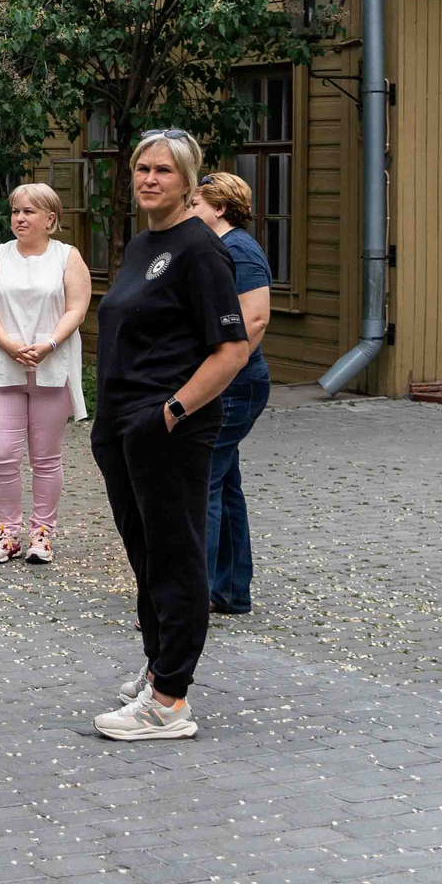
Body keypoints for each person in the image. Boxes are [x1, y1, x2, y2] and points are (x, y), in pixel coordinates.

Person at [91, 129, 250, 742]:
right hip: (123, 425)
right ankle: (159, 664)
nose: (149, 178)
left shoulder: (201, 251)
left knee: (176, 553)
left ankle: (170, 701)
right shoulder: (142, 245)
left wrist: (173, 413)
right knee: (145, 553)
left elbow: (232, 349)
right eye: (141, 168)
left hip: (168, 428)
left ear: (188, 181)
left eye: (163, 170)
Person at [0, 183, 89, 565]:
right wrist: (8, 343)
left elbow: (77, 308)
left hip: (51, 367)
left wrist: (50, 343)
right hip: (6, 366)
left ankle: (42, 533)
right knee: (3, 453)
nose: (19, 218)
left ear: (50, 219)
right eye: (16, 211)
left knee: (46, 457)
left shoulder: (68, 257)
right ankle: (8, 532)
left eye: (29, 212)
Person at [192, 173, 274, 616]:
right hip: (228, 384)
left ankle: (193, 597)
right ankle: (230, 589)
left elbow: (255, 321)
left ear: (220, 208)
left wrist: (219, 373)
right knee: (224, 486)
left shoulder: (239, 250)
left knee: (201, 485)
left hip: (235, 387)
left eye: (196, 203)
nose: (189, 210)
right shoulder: (221, 247)